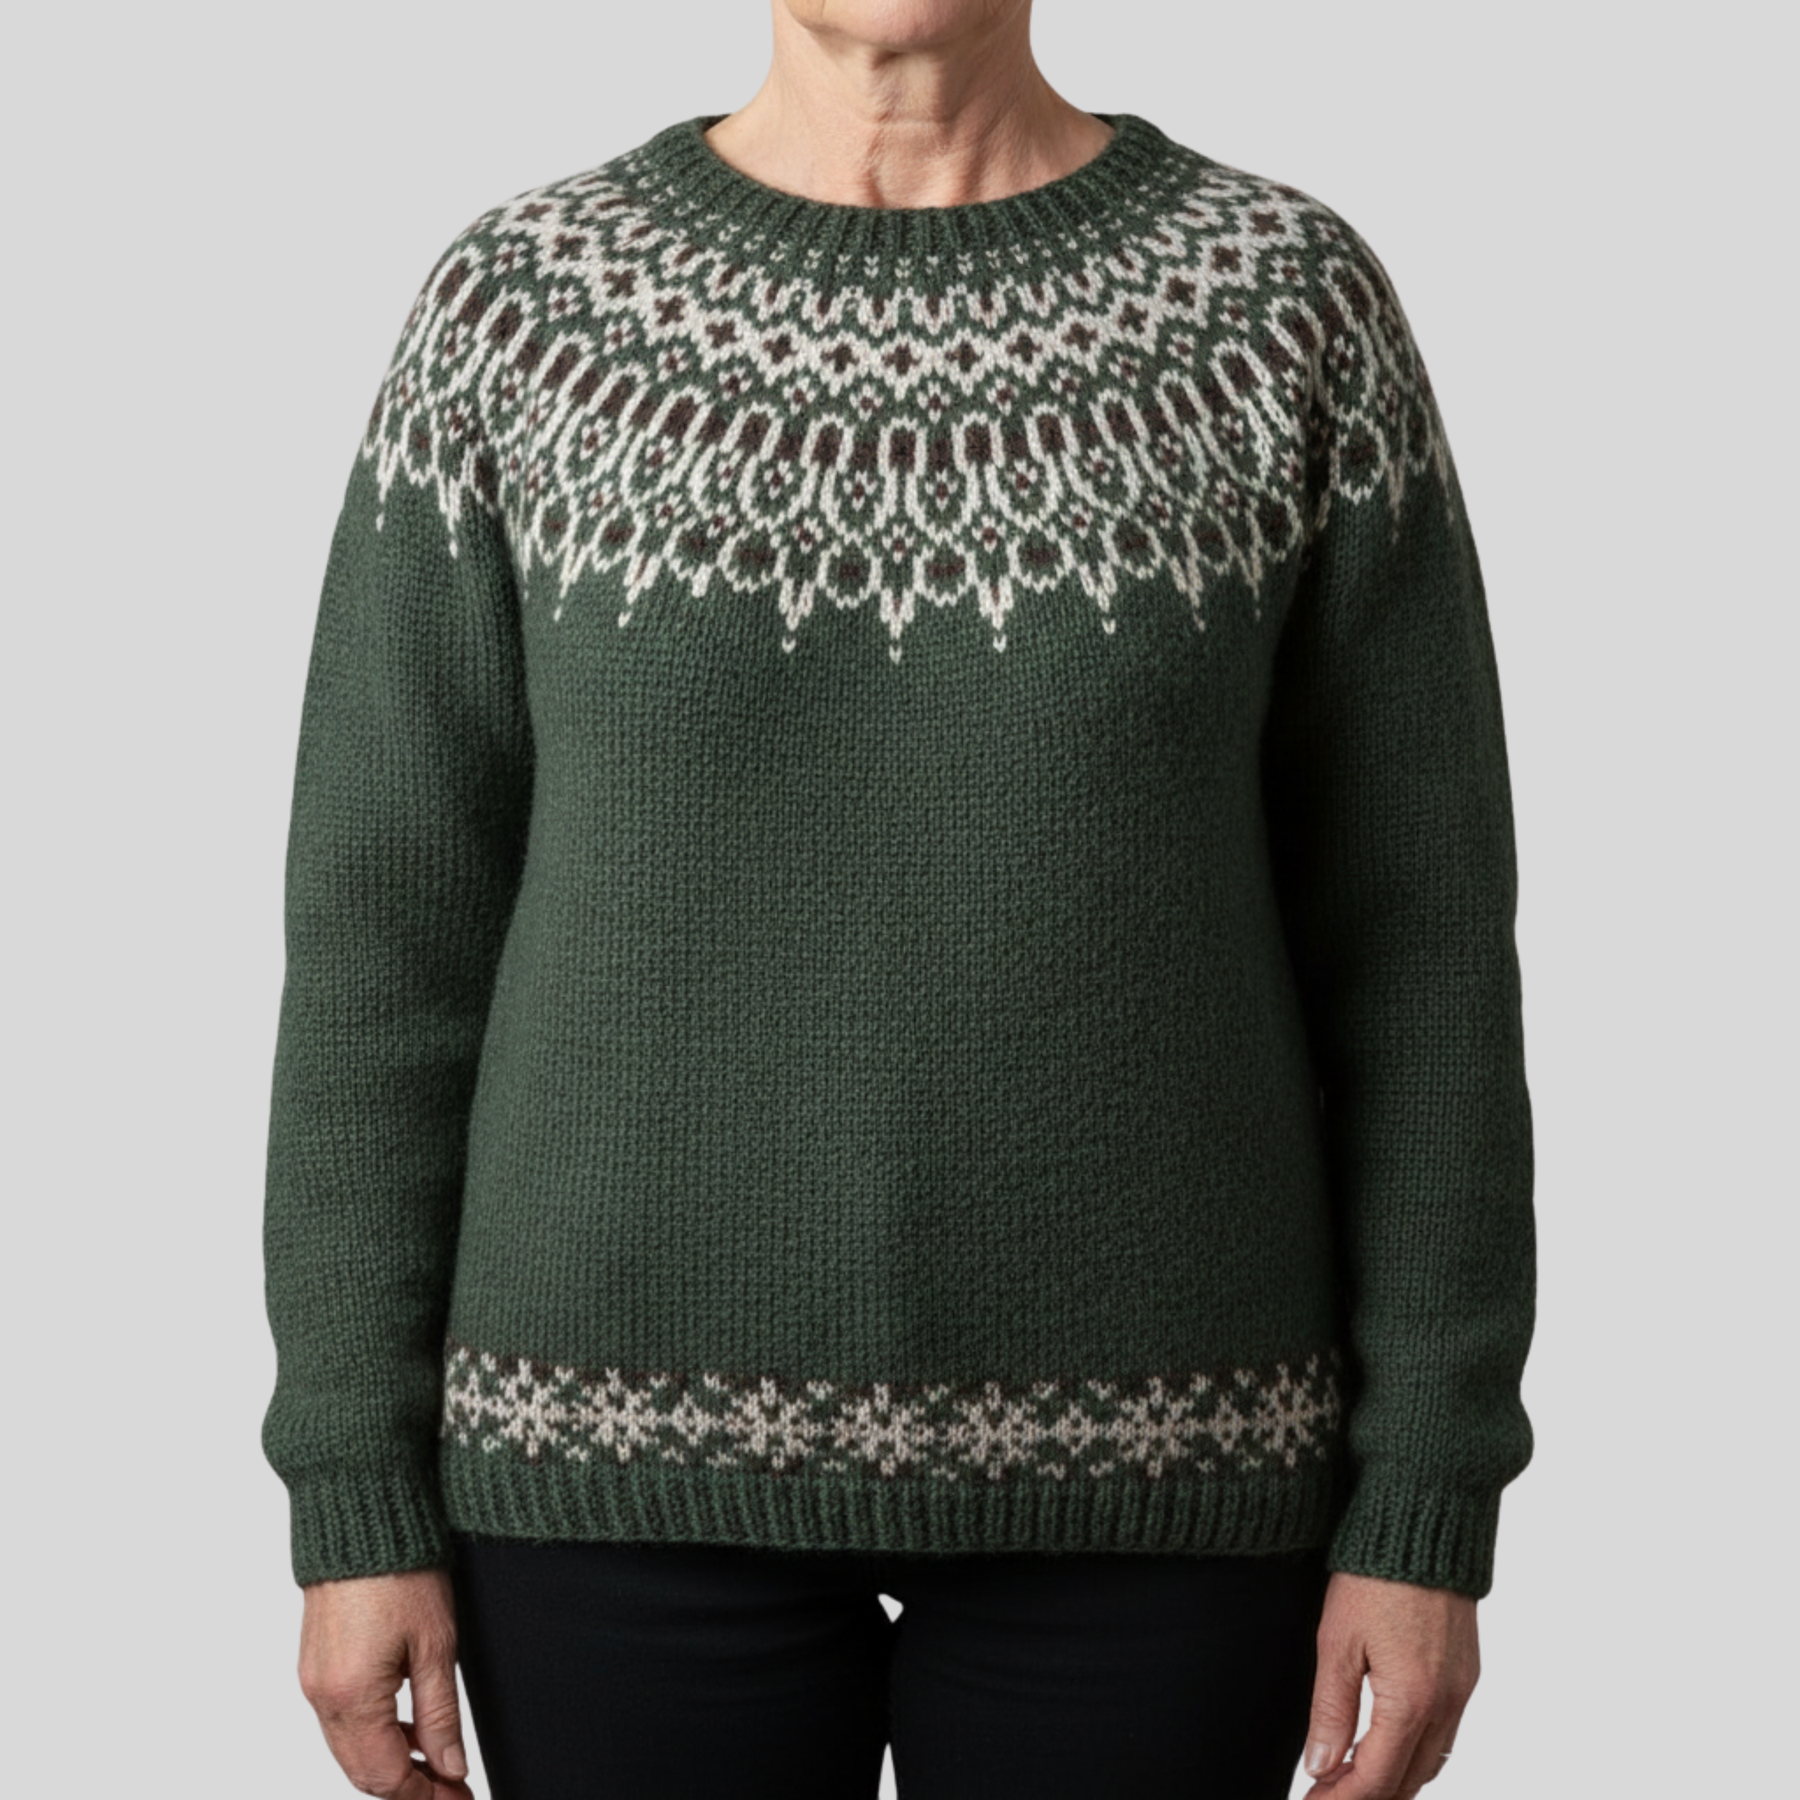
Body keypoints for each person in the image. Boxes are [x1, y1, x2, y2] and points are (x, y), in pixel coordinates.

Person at [261, 3, 1536, 1796]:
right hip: (598, 1473)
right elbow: (384, 948)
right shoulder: (525, 311)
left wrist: (1428, 1495)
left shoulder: (1281, 304)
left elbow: (1421, 953)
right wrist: (352, 1488)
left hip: (1170, 1488)